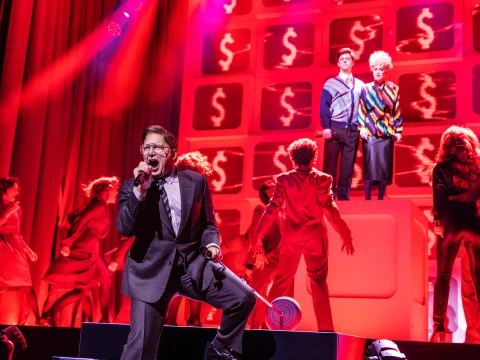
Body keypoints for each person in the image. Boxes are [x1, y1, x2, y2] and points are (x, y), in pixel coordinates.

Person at [117, 125, 255, 360]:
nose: (151, 153)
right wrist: (139, 193)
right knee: (140, 349)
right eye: (146, 148)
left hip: (192, 268)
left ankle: (220, 351)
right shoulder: (133, 187)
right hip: (150, 272)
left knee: (243, 297)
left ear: (173, 153)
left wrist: (213, 245)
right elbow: (125, 228)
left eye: (157, 147)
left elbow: (208, 224)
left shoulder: (195, 181)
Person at [254, 138, 354, 331]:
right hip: (315, 240)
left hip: (291, 239)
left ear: (292, 158)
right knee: (318, 285)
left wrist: (259, 234)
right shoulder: (323, 179)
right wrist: (345, 233)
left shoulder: (284, 179)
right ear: (314, 157)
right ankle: (325, 332)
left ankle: (269, 327)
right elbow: (330, 210)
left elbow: (272, 209)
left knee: (280, 284)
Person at [41, 176, 119, 326]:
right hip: (83, 251)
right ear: (106, 189)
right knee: (99, 283)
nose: (116, 193)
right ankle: (104, 320)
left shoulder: (102, 206)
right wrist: (67, 243)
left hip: (91, 251)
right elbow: (80, 223)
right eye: (115, 190)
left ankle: (48, 315)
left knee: (87, 288)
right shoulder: (97, 206)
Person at [430, 126, 480, 342]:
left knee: (443, 276)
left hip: (451, 222)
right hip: (474, 222)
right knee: (478, 280)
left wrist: (438, 220)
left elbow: (439, 201)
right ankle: (477, 329)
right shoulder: (478, 166)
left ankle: (439, 327)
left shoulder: (441, 168)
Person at [356, 50, 403, 200]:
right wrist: (362, 127)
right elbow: (362, 109)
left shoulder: (394, 89)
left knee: (384, 166)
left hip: (387, 132)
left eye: (380, 69)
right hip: (370, 131)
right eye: (375, 69)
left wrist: (398, 130)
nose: (377, 72)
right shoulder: (365, 89)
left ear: (386, 71)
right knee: (370, 164)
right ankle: (368, 196)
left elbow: (397, 111)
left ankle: (381, 197)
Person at [320, 48, 364, 200]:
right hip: (335, 128)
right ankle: (327, 196)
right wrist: (326, 126)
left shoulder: (360, 85)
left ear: (353, 62)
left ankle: (344, 196)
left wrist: (362, 126)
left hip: (352, 130)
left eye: (348, 58)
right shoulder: (331, 83)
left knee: (348, 166)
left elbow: (364, 108)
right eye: (342, 59)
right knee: (330, 165)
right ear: (338, 63)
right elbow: (324, 106)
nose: (345, 61)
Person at [0, 177, 40, 325]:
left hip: (16, 251)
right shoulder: (7, 207)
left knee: (27, 286)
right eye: (14, 188)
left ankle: (38, 320)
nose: (17, 192)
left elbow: (16, 232)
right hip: (3, 249)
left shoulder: (16, 207)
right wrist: (8, 211)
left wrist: (28, 250)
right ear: (5, 188)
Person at [246, 180, 282, 329]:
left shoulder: (283, 210)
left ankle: (270, 327)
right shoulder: (261, 209)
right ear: (268, 192)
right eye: (274, 187)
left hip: (282, 259)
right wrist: (260, 254)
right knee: (259, 293)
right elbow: (254, 232)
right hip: (265, 259)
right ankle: (255, 329)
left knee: (276, 296)